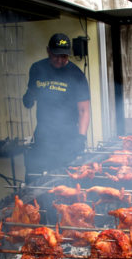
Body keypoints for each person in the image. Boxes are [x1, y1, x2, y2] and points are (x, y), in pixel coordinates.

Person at [22, 33, 90, 181]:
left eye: (64, 56)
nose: (59, 60)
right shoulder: (37, 68)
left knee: (64, 180)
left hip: (67, 138)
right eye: (56, 55)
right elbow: (32, 91)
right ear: (48, 51)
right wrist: (28, 97)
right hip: (43, 136)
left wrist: (80, 138)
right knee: (35, 178)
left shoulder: (76, 75)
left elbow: (84, 110)